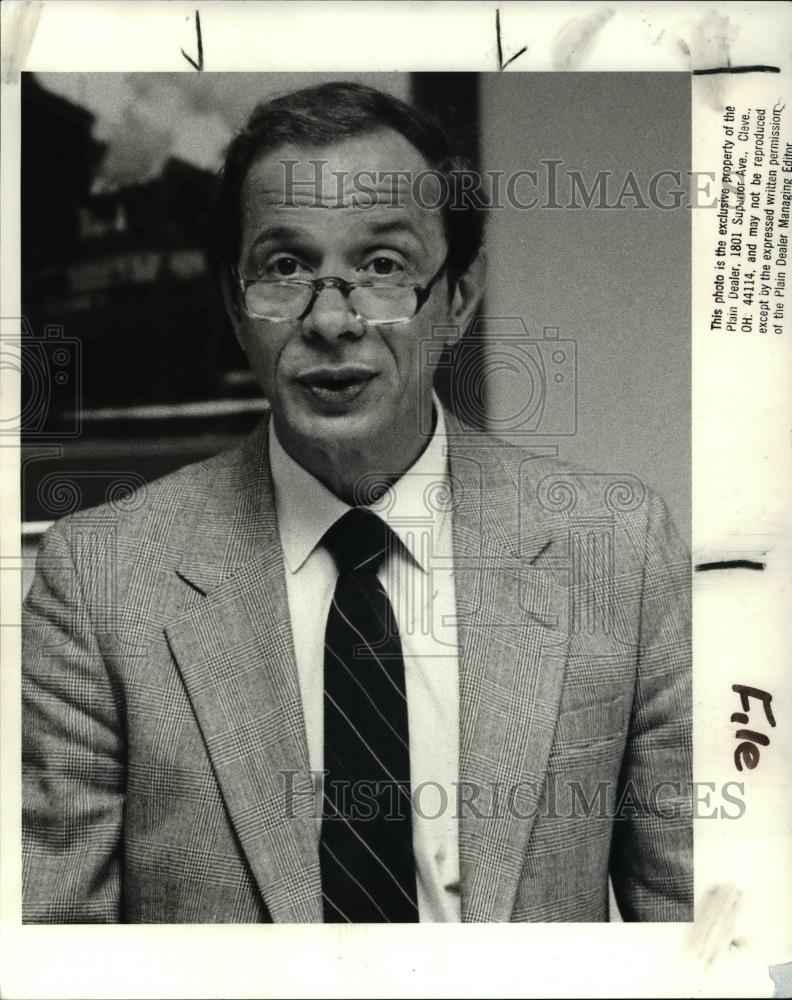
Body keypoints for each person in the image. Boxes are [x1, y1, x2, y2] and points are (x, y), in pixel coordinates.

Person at [22, 81, 692, 923]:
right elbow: (48, 953)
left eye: (383, 267)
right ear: (236, 304)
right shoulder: (97, 580)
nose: (333, 320)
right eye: (285, 267)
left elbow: (700, 936)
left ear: (459, 297)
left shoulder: (619, 548)